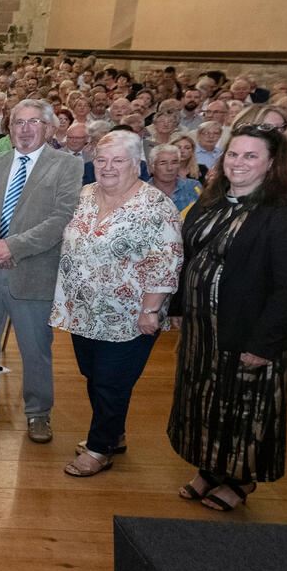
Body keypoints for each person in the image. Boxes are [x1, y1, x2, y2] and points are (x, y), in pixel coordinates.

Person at [168, 126, 287, 511]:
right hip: (203, 331)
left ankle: (241, 479)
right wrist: (180, 307)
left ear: (271, 164)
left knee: (244, 408)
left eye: (251, 156)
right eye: (233, 154)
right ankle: (210, 467)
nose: (238, 162)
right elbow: (188, 258)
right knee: (203, 398)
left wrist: (264, 344)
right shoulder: (211, 201)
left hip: (247, 331)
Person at [50, 131, 183, 476]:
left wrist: (150, 309)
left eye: (118, 160)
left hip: (130, 315)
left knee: (111, 380)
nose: (107, 167)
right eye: (101, 160)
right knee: (93, 375)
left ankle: (99, 447)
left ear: (137, 163)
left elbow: (167, 261)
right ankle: (114, 434)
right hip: (83, 310)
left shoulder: (155, 206)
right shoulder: (84, 195)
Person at [0, 100, 83, 443]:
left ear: (49, 128)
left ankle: (38, 413)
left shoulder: (67, 166)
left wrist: (13, 246)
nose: (24, 129)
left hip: (33, 273)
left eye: (33, 122)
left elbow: (62, 217)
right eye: (17, 123)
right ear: (8, 129)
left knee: (34, 349)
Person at [147, 143, 201, 215]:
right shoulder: (142, 193)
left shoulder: (193, 187)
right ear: (152, 167)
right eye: (163, 163)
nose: (169, 168)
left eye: (174, 163)